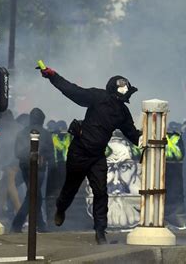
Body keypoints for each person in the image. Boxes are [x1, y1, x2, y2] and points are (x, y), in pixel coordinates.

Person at [37, 66, 140, 244]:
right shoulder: (97, 97)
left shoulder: (123, 112)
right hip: (79, 151)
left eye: (127, 89)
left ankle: (100, 232)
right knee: (70, 188)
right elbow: (72, 90)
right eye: (123, 89)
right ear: (114, 90)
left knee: (101, 192)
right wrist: (53, 76)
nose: (126, 92)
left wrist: (151, 138)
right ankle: (60, 208)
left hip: (97, 156)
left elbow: (133, 134)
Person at [10, 108, 54, 233]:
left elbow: (17, 153)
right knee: (32, 196)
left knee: (35, 195)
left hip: (25, 167)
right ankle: (16, 225)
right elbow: (51, 154)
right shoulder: (45, 133)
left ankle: (41, 225)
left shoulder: (22, 132)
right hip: (38, 168)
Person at [164, 122, 186, 229]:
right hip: (176, 168)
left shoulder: (163, 136)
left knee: (167, 194)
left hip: (165, 167)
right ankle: (177, 219)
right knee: (176, 194)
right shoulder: (178, 138)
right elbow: (182, 154)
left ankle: (167, 218)